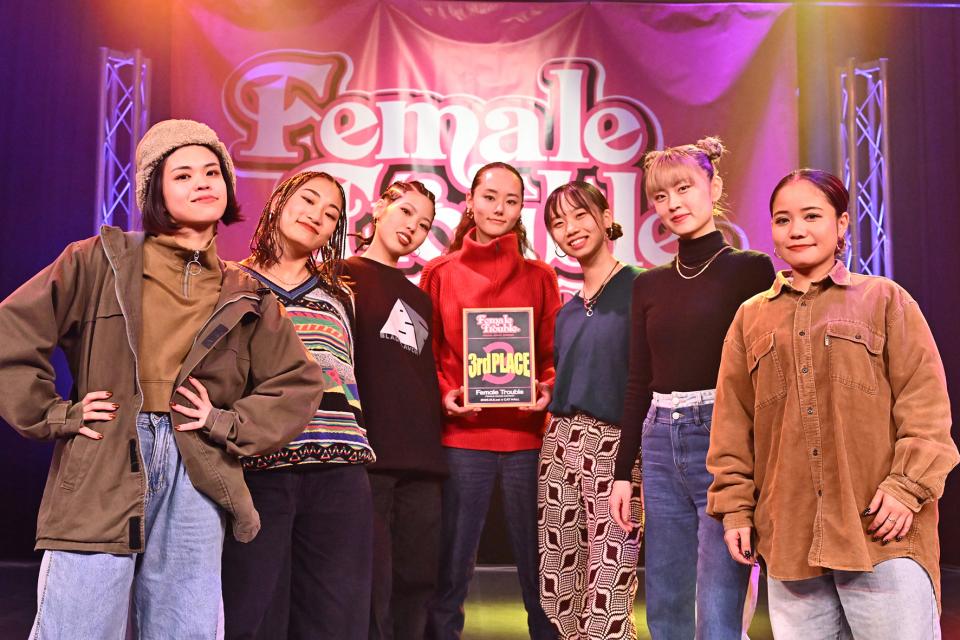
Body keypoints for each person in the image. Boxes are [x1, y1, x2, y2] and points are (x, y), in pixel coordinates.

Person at [0, 119, 324, 639]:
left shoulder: (247, 293)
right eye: (183, 175)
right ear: (155, 190)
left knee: (186, 629)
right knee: (76, 627)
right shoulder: (97, 261)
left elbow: (298, 383)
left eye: (212, 172)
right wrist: (55, 413)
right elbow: (11, 333)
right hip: (104, 458)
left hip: (195, 467)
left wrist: (226, 423)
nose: (202, 183)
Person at [707, 168, 959, 639]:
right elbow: (731, 428)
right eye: (783, 219)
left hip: (882, 537)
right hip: (791, 541)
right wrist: (736, 510)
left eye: (812, 216)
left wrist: (906, 488)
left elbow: (926, 411)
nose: (796, 229)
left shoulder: (884, 300)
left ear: (842, 223)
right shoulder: (750, 318)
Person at [609, 137, 774, 639]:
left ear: (713, 187)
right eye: (660, 196)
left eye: (683, 188)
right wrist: (623, 473)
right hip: (660, 439)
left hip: (722, 439)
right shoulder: (648, 284)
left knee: (720, 602)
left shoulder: (750, 269)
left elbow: (765, 375)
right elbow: (639, 380)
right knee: (666, 601)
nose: (673, 204)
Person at [221, 170, 375, 639]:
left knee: (335, 620)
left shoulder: (341, 296)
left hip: (341, 471)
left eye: (331, 214)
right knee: (250, 614)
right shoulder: (230, 283)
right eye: (309, 200)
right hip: (259, 469)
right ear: (278, 202)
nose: (317, 216)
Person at [421, 162, 561, 640]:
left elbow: (553, 354)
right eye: (490, 197)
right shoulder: (439, 272)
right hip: (463, 438)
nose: (499, 208)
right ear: (470, 201)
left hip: (527, 440)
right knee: (452, 565)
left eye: (511, 200)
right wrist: (446, 392)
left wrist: (547, 386)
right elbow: (427, 353)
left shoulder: (541, 276)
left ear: (522, 209)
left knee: (541, 567)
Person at [537, 181, 645, 639]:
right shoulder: (566, 311)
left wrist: (629, 463)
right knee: (560, 581)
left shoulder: (642, 287)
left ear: (605, 217)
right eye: (558, 223)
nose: (570, 229)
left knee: (610, 579)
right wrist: (549, 392)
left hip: (615, 445)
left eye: (580, 214)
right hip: (559, 443)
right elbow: (579, 374)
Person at [341, 180, 447, 640]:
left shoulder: (420, 297)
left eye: (423, 224)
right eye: (405, 212)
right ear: (379, 208)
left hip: (423, 461)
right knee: (371, 585)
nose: (412, 228)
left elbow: (415, 373)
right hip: (368, 458)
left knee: (417, 581)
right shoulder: (340, 277)